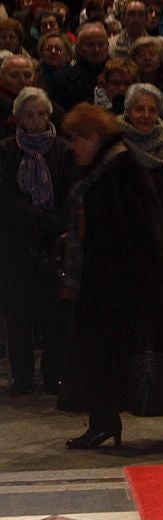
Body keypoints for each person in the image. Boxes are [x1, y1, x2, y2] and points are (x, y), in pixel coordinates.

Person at [57, 103, 163, 449]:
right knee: (104, 354)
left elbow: (145, 226)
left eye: (77, 140)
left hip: (123, 281)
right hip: (104, 278)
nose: (73, 147)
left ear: (93, 137)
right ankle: (103, 421)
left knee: (134, 350)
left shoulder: (121, 165)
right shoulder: (102, 165)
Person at [0, 88, 74, 395]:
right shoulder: (5, 150)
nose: (36, 120)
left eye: (41, 114)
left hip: (54, 240)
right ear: (19, 117)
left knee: (53, 313)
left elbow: (71, 190)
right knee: (18, 313)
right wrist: (30, 214)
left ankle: (54, 372)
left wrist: (54, 219)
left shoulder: (63, 149)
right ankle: (21, 376)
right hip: (17, 240)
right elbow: (3, 194)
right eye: (29, 114)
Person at [119, 83, 163, 248]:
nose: (146, 115)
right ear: (128, 111)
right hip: (124, 231)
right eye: (139, 109)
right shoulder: (114, 140)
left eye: (152, 110)